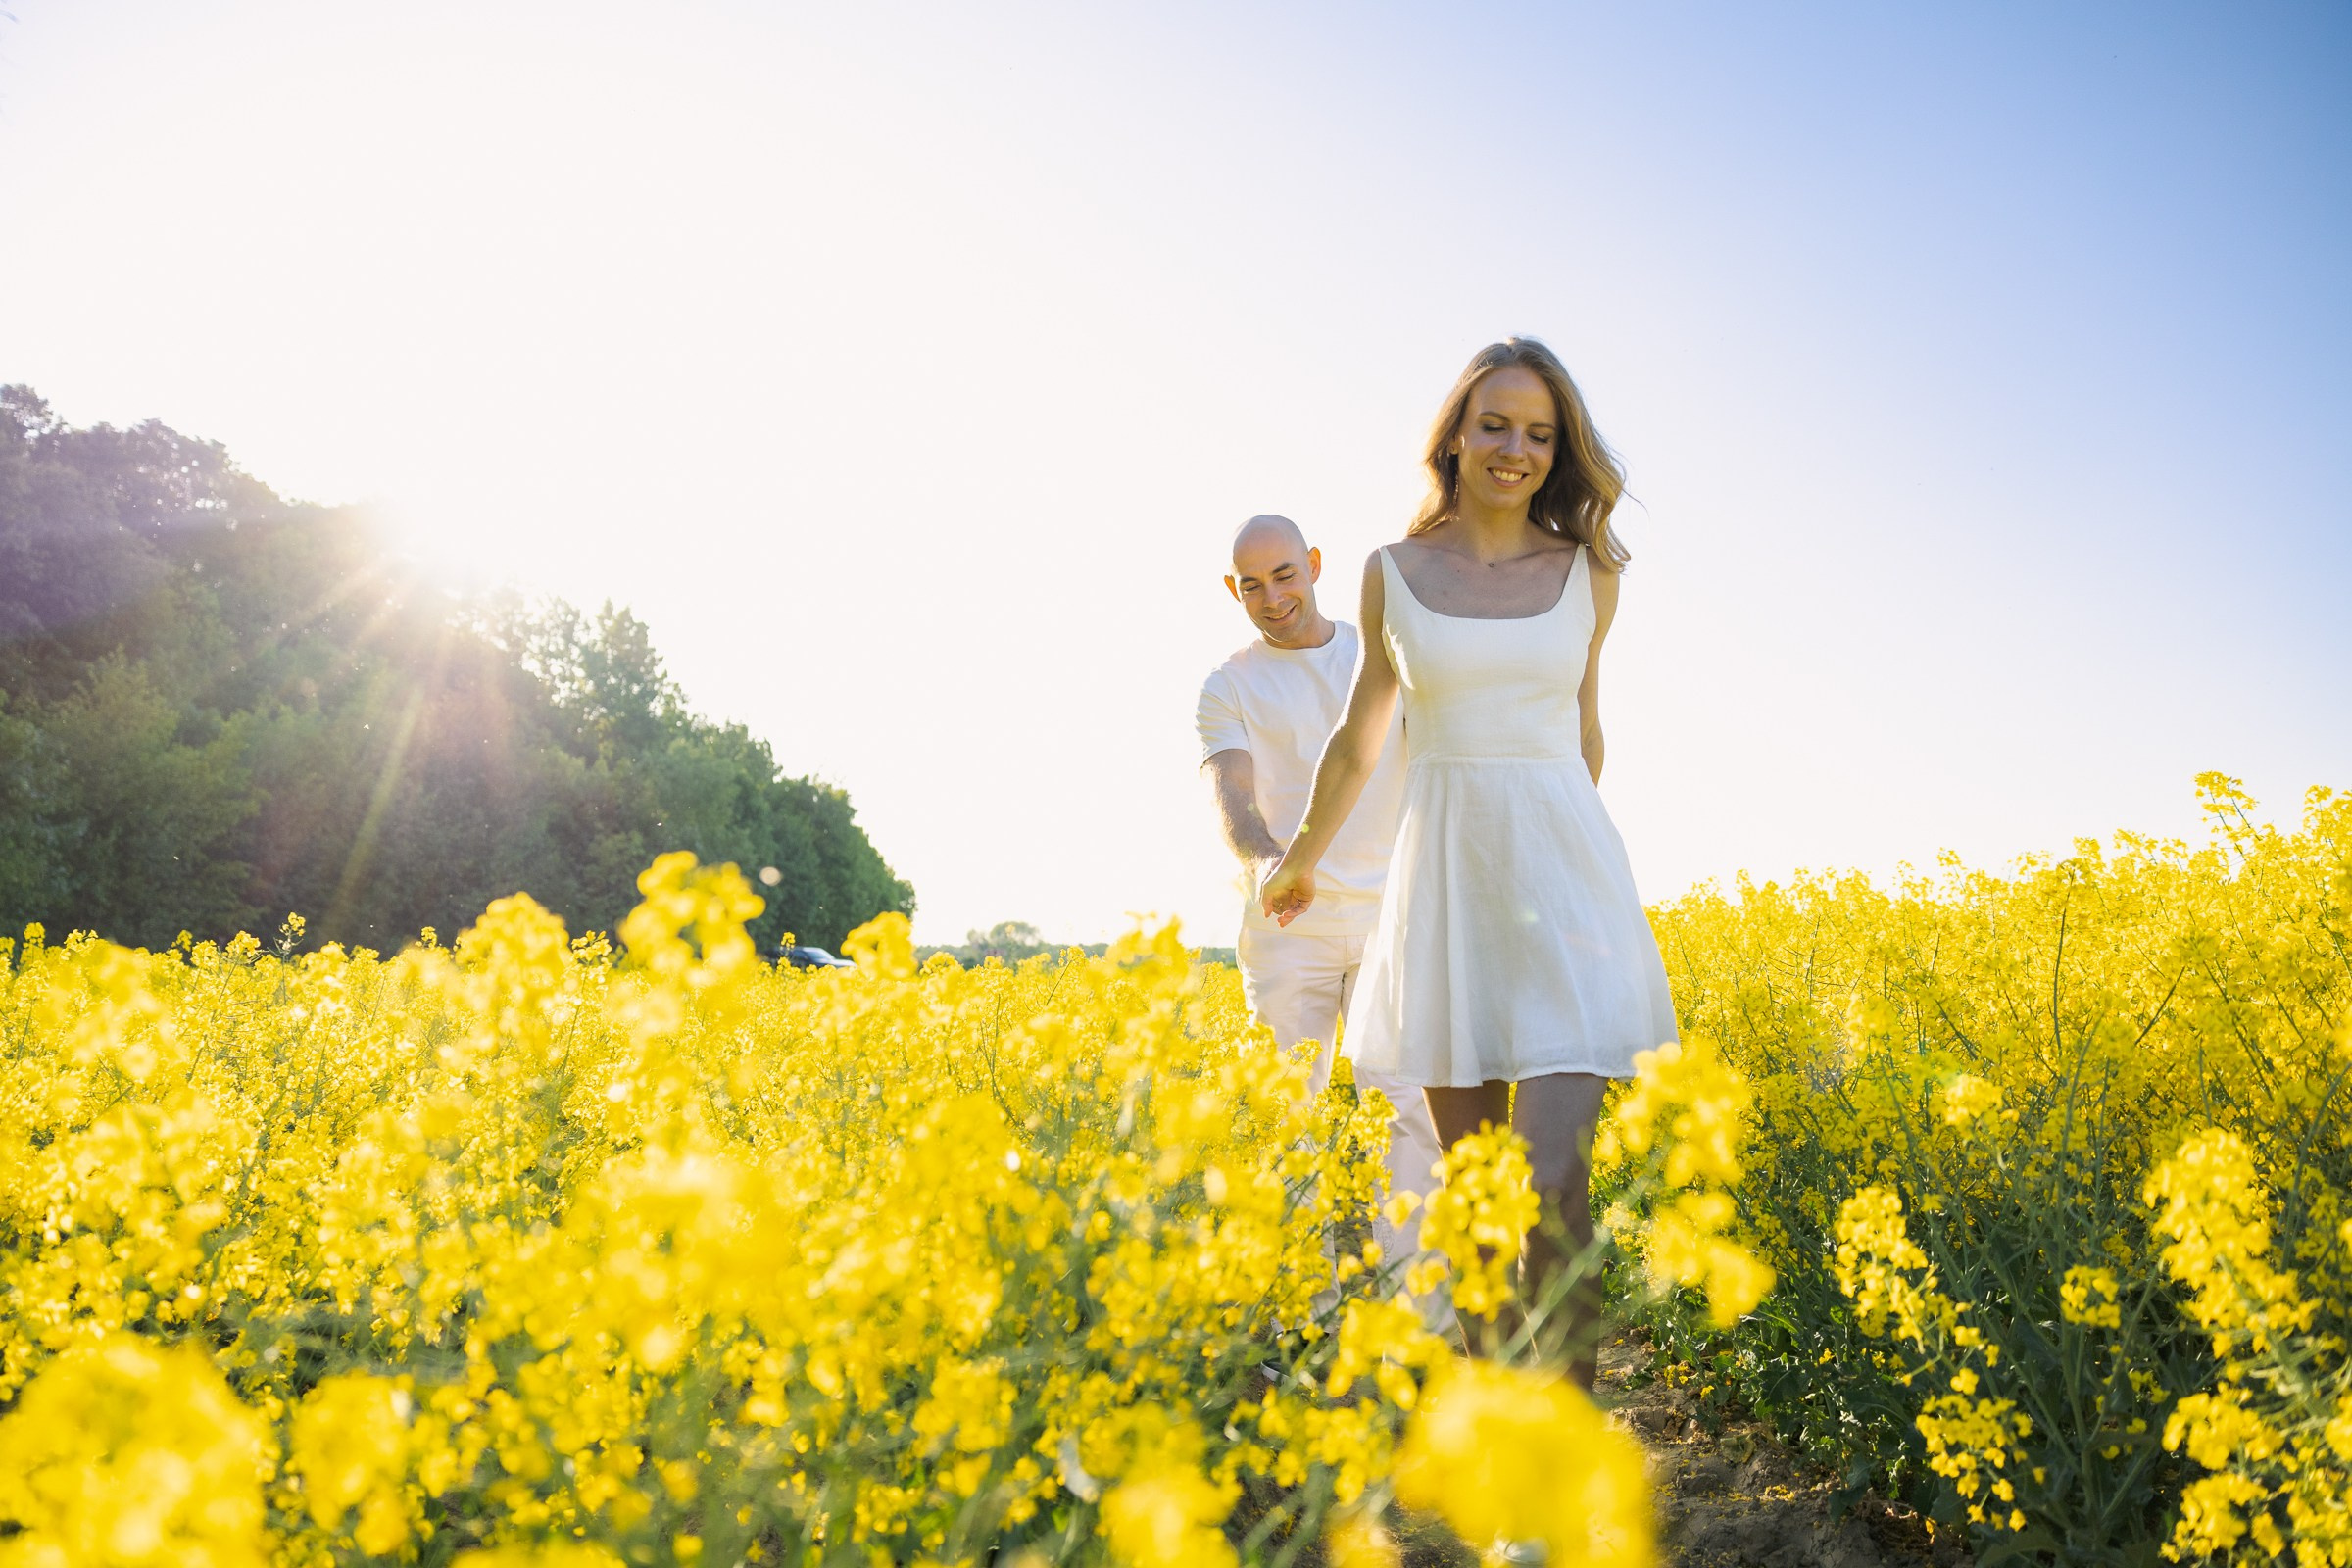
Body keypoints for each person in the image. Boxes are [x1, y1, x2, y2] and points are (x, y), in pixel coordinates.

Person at [1257, 340, 1678, 1383]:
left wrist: (1570, 867)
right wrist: (1299, 858)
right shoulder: (1391, 575)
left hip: (1565, 891)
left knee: (1551, 1189)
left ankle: (1568, 1473)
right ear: (1455, 432)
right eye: (1496, 425)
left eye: (1540, 434)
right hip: (1448, 894)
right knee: (1484, 1209)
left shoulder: (1589, 572)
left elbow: (1585, 734)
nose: (1517, 450)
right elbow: (1361, 737)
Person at [1196, 514, 1448, 1280]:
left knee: (1406, 1111)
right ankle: (1298, 1322)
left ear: (1312, 564)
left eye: (1284, 575)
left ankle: (1419, 1316)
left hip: (1388, 920)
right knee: (1282, 1117)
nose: (1272, 597)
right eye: (1251, 585)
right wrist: (1270, 861)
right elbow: (1232, 798)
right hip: (1284, 925)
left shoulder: (1381, 656)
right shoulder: (1227, 686)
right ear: (1231, 591)